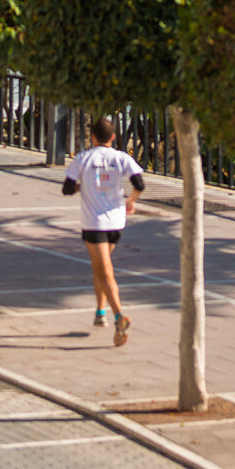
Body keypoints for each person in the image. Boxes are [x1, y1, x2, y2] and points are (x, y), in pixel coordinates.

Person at [63, 115, 146, 346]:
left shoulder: (83, 158)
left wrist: (84, 186)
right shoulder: (121, 157)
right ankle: (100, 312)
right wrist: (131, 200)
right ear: (113, 137)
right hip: (117, 223)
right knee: (100, 267)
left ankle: (119, 316)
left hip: (95, 223)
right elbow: (140, 184)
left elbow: (67, 188)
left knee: (105, 271)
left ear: (92, 136)